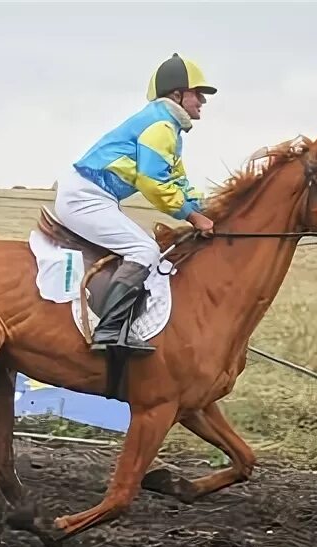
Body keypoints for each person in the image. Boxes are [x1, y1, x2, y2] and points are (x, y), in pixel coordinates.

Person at [55, 53, 216, 353]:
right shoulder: (160, 127)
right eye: (198, 94)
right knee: (144, 249)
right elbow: (152, 181)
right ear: (177, 94)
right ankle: (109, 331)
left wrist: (202, 209)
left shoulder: (169, 127)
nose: (202, 102)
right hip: (85, 197)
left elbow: (176, 179)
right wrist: (192, 218)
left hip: (94, 195)